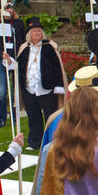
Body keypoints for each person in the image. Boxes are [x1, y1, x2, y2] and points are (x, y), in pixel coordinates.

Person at [17, 17, 66, 149]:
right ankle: (35, 142)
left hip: (47, 88)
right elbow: (17, 66)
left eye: (39, 31)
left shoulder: (49, 46)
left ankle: (52, 141)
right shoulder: (24, 48)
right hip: (29, 89)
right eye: (34, 31)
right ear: (29, 34)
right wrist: (8, 61)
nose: (37, 33)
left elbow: (57, 67)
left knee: (50, 116)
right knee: (33, 117)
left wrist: (59, 86)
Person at [0, 0, 26, 128]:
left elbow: (23, 39)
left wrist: (20, 56)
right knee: (2, 91)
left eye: (11, 7)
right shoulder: (0, 22)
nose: (9, 10)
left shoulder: (18, 23)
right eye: (7, 8)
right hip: (4, 59)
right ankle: (1, 118)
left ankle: (14, 117)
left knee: (15, 91)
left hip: (16, 59)